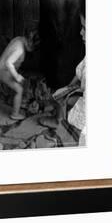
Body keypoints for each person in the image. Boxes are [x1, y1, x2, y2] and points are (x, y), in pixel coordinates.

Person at [39, 14, 86, 145]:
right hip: (82, 92)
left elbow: (85, 108)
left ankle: (61, 126)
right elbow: (78, 73)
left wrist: (67, 98)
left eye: (85, 28)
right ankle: (60, 121)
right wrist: (68, 88)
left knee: (66, 103)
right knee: (62, 96)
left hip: (87, 108)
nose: (81, 32)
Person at [0, 31, 40, 120]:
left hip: (2, 66)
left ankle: (14, 101)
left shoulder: (19, 39)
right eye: (32, 48)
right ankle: (15, 114)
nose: (32, 50)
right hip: (3, 70)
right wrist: (16, 76)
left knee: (18, 86)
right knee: (19, 90)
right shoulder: (19, 49)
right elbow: (9, 63)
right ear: (29, 43)